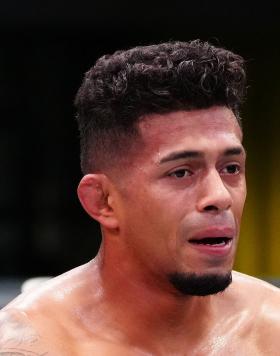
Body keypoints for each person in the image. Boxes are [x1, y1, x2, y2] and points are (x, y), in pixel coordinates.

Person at [1, 40, 280, 355]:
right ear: (103, 201)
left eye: (231, 168)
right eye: (181, 173)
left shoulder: (271, 329)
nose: (219, 196)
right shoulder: (30, 346)